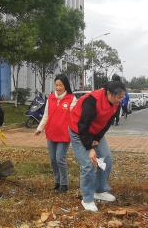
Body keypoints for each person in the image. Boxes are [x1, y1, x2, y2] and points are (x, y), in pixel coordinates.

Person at [68, 78, 127, 212]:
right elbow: (82, 125)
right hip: (78, 131)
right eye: (119, 97)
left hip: (95, 132)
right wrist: (89, 148)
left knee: (107, 158)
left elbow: (107, 123)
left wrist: (97, 138)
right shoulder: (92, 101)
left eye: (122, 97)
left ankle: (99, 190)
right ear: (109, 93)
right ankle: (87, 199)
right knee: (88, 164)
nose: (120, 100)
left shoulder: (116, 104)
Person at [34, 73, 73, 192]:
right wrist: (40, 128)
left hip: (64, 135)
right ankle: (57, 181)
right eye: (56, 85)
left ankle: (64, 183)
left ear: (65, 86)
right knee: (53, 160)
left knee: (60, 158)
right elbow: (46, 114)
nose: (58, 87)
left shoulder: (71, 99)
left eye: (60, 85)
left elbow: (75, 117)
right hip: (51, 133)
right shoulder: (50, 98)